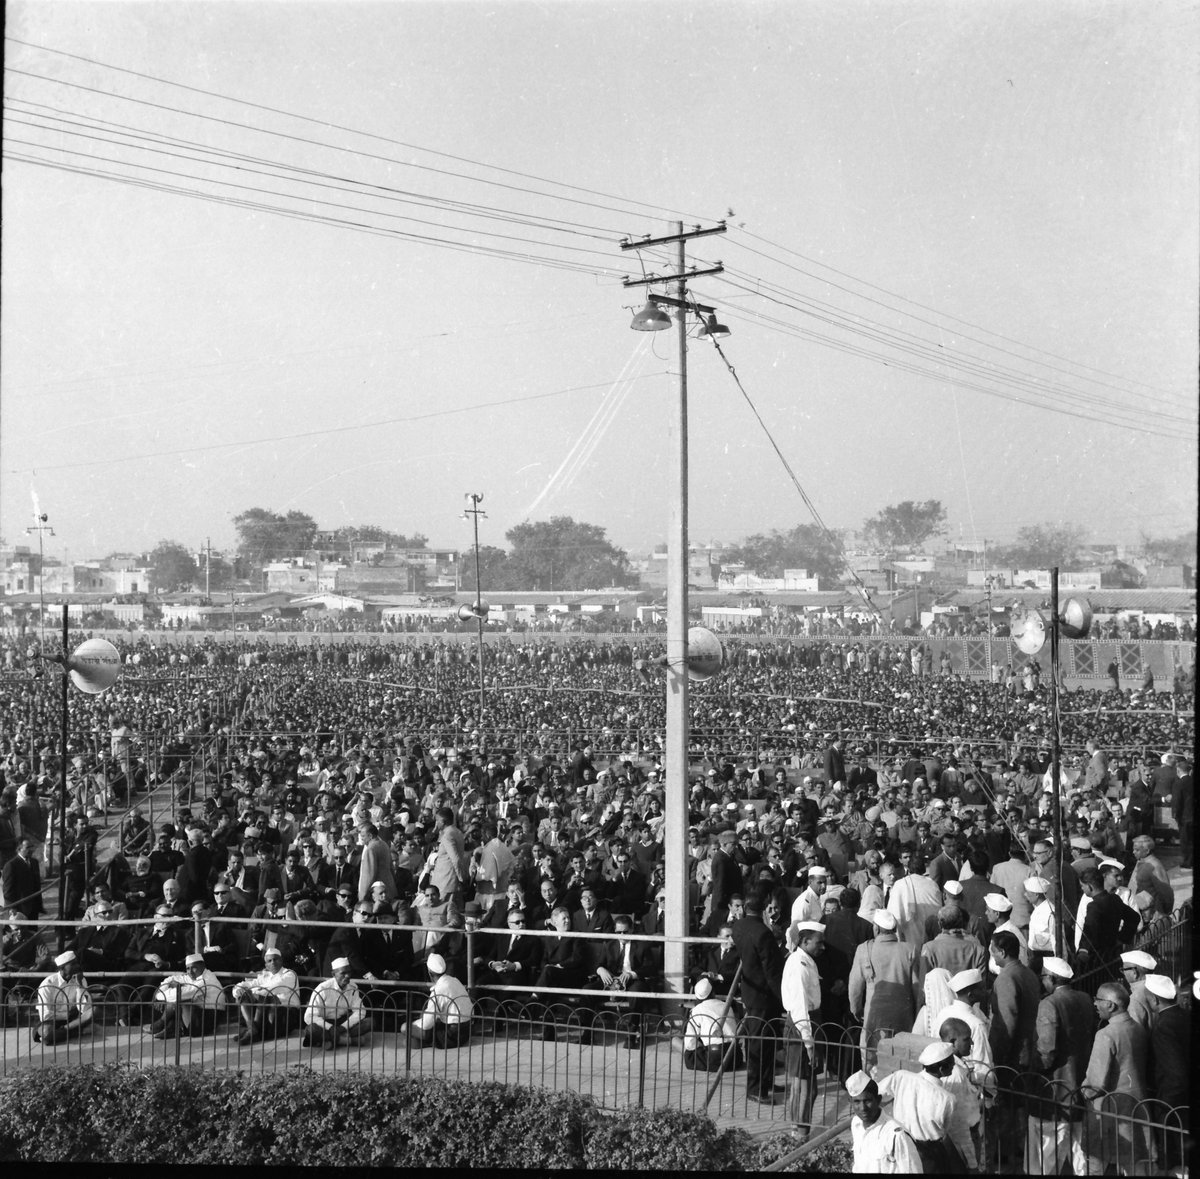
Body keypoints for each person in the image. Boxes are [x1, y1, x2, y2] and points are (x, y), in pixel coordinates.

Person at [1025, 956, 1095, 1176]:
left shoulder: (1049, 1004)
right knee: (1079, 1148)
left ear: (1053, 979)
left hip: (1055, 1088)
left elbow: (1047, 1050)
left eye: (1044, 976)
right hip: (1079, 1083)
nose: (1041, 981)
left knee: (1047, 1155)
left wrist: (1034, 1071)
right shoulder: (1084, 998)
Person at [1082, 981, 1150, 1175]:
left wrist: (1083, 1093)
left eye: (1098, 999)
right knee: (1135, 1163)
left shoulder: (1106, 1034)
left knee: (1095, 1166)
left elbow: (1096, 1083)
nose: (1095, 1004)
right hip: (1136, 1106)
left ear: (1111, 1005)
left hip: (1110, 1111)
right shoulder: (1137, 1028)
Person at [876, 1040, 966, 1173]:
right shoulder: (947, 1099)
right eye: (952, 1064)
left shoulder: (901, 1077)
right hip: (930, 1154)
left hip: (902, 1146)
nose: (954, 1066)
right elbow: (945, 1130)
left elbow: (877, 1093)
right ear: (941, 1069)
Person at [730, 889, 785, 1105]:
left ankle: (767, 1080)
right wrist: (782, 996)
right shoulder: (763, 932)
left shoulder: (739, 926)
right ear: (762, 908)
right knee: (760, 1042)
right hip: (764, 993)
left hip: (752, 991)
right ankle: (756, 1088)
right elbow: (771, 969)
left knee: (768, 1040)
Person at [848, 908, 919, 1070]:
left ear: (876, 928)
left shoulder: (863, 949)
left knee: (873, 1061)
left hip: (874, 1017)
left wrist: (856, 1010)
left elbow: (855, 989)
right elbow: (917, 989)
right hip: (903, 1016)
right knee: (901, 1060)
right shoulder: (910, 949)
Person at [781, 920, 824, 1136]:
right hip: (802, 1027)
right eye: (818, 942)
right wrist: (809, 1044)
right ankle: (798, 1134)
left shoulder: (806, 960)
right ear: (805, 941)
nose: (822, 947)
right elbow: (799, 1009)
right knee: (803, 1087)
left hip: (809, 1024)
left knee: (809, 1087)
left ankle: (799, 1130)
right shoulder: (799, 965)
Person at [1143, 974, 1188, 1171]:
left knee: (1176, 1160)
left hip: (1173, 1104)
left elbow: (1175, 1073)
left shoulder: (1163, 1027)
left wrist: (1165, 1107)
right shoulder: (1184, 1016)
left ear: (1154, 999)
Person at [845, 1070, 923, 1174]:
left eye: (868, 1101)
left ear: (878, 1100)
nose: (863, 1108)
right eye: (857, 1102)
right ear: (850, 1102)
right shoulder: (856, 1124)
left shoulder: (896, 1135)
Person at [231, 946, 302, 1044]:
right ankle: (252, 1029)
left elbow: (270, 989)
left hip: (286, 1013)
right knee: (243, 994)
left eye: (275, 959)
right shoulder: (266, 976)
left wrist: (253, 991)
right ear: (266, 964)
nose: (273, 962)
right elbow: (247, 984)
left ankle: (252, 1031)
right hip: (268, 1011)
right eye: (269, 961)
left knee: (265, 995)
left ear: (281, 961)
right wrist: (239, 989)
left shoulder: (289, 974)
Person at [401, 952, 473, 1048]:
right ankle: (426, 1041)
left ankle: (426, 1042)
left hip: (451, 1036)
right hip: (466, 1032)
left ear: (430, 973)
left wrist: (413, 1024)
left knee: (405, 1028)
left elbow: (427, 1024)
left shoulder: (438, 990)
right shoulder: (455, 980)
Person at [148, 952, 226, 1038]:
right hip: (198, 1014)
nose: (190, 972)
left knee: (179, 998)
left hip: (207, 1020)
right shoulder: (194, 975)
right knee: (178, 997)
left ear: (203, 966)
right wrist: (162, 989)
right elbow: (171, 979)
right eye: (188, 968)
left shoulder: (206, 979)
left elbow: (178, 995)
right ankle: (172, 1028)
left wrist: (158, 996)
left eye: (194, 968)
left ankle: (161, 1023)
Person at [303, 956, 370, 1048]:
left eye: (349, 972)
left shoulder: (353, 987)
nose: (347, 976)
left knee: (369, 1022)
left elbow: (360, 1011)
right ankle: (347, 1040)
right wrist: (330, 1028)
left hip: (342, 1023)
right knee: (311, 1029)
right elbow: (309, 1016)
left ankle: (328, 1040)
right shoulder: (322, 988)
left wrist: (343, 1027)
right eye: (343, 973)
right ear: (333, 974)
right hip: (325, 1023)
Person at [34, 950, 93, 1045]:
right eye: (73, 964)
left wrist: (80, 986)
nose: (77, 966)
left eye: (76, 963)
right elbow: (46, 1015)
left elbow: (85, 1009)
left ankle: (59, 1034)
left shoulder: (80, 979)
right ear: (62, 968)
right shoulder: (48, 984)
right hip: (52, 1022)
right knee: (46, 1033)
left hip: (72, 1020)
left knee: (93, 1011)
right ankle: (76, 1032)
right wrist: (66, 1015)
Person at [682, 977, 741, 1071]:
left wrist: (700, 1046)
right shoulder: (727, 1006)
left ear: (697, 997)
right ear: (713, 993)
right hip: (735, 1057)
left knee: (680, 1046)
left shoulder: (697, 1010)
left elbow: (690, 1044)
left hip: (715, 1057)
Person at [2, 837, 43, 919]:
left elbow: (37, 884)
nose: (31, 849)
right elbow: (7, 890)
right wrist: (11, 907)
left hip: (34, 906)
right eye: (27, 847)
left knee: (34, 930)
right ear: (19, 849)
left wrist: (39, 904)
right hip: (20, 908)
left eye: (31, 846)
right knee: (24, 931)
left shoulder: (34, 862)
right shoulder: (11, 865)